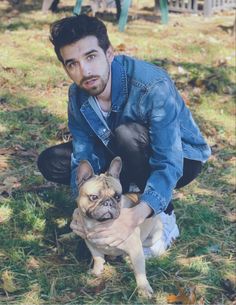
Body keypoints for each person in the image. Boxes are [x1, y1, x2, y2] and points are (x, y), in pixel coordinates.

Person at [37, 14, 211, 258]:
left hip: (180, 158)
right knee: (52, 160)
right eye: (72, 64)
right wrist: (81, 206)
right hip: (119, 151)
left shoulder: (152, 85)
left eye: (91, 56)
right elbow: (83, 153)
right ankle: (117, 203)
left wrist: (136, 216)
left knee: (126, 134)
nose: (84, 71)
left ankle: (162, 216)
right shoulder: (77, 95)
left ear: (109, 53)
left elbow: (168, 160)